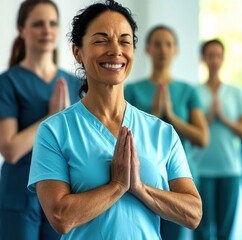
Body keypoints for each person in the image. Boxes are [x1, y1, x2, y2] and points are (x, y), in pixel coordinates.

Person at [27, 1, 202, 239]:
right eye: (101, 40)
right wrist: (117, 185)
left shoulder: (162, 132)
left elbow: (193, 213)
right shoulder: (55, 131)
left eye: (124, 41)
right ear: (77, 52)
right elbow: (60, 217)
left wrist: (140, 189)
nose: (115, 50)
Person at [0, 1, 81, 239]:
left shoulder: (75, 84)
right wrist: (51, 117)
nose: (47, 30)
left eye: (52, 24)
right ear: (21, 29)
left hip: (62, 193)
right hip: (19, 195)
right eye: (38, 24)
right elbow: (11, 149)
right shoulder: (8, 83)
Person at [124, 24, 208, 240]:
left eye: (168, 44)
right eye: (157, 44)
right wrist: (153, 113)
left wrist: (171, 116)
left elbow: (202, 138)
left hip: (179, 177)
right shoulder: (131, 89)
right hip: (139, 177)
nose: (163, 49)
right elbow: (119, 137)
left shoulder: (188, 91)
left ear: (175, 50)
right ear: (147, 49)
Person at [192, 39, 242, 240]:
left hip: (230, 168)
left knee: (225, 230)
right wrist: (208, 117)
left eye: (218, 55)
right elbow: (191, 132)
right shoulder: (195, 92)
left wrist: (223, 118)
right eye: (210, 55)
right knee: (200, 227)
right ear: (203, 59)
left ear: (223, 58)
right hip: (201, 168)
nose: (215, 60)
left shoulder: (237, 93)